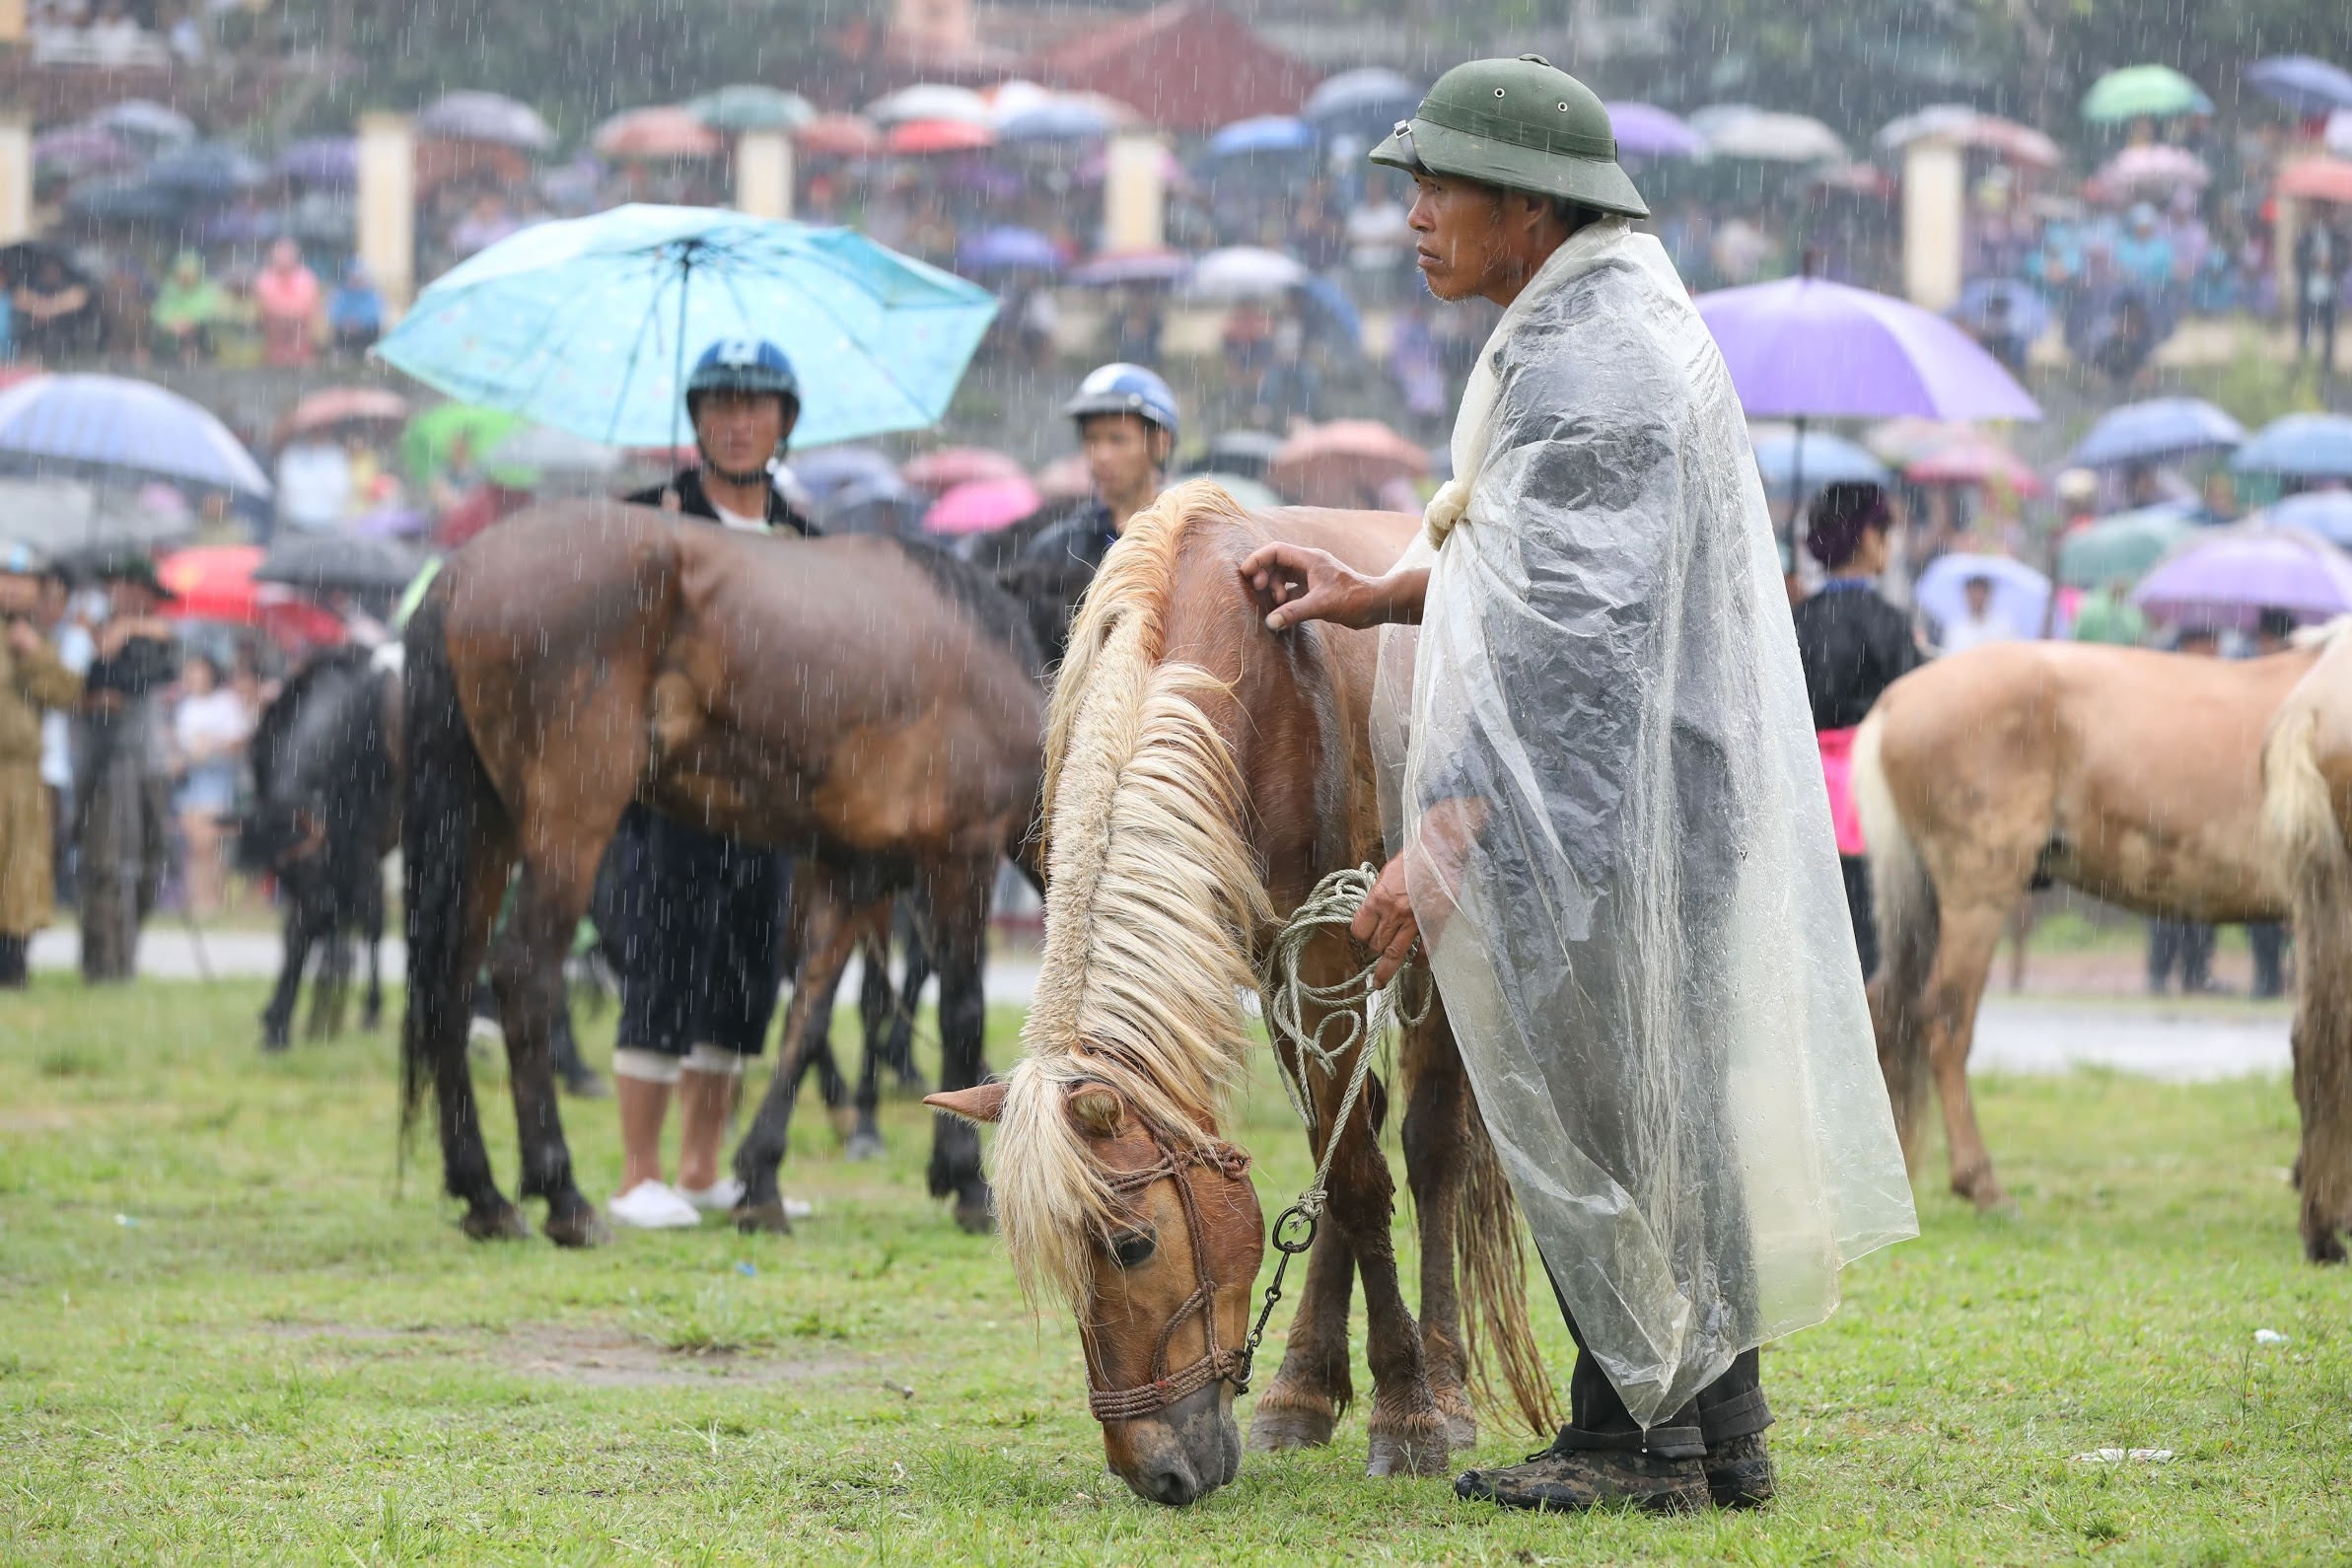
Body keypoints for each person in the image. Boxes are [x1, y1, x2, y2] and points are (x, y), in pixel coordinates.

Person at [1240, 56, 1913, 1516]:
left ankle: (1633, 1447)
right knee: (1667, 1103)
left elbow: (1573, 649)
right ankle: (1721, 1427)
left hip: (1607, 809)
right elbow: (1536, 570)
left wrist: (1443, 833)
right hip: (1651, 794)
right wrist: (1379, 593)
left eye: (1443, 188)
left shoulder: (1590, 363)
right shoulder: (1596, 320)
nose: (1415, 217)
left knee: (1600, 1110)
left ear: (1531, 208)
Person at [605, 338, 817, 1232]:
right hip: (671, 788)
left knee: (743, 977)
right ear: (695, 419)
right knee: (663, 962)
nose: (737, 422)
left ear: (783, 421)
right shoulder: (644, 520)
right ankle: (637, 1173)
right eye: (719, 404)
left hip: (767, 798)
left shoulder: (805, 538)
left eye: (755, 404)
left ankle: (700, 1168)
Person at [1790, 483, 1921, 979]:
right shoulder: (1889, 624)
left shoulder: (1795, 621)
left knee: (1813, 941)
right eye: (1886, 533)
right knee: (1871, 941)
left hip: (1802, 798)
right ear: (1868, 538)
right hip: (1872, 799)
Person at [73, 552, 178, 982]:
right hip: (103, 764)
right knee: (106, 865)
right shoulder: (84, 634)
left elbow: (152, 674)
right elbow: (81, 685)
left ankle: (126, 954)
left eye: (139, 590)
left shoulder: (151, 636)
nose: (130, 596)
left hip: (149, 764)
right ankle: (103, 963)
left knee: (149, 864)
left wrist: (128, 630)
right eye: (122, 586)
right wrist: (98, 667)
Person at [1011, 362, 1179, 582]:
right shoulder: (1057, 551)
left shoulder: (1190, 541)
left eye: (1118, 439)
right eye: (1091, 439)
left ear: (1161, 443)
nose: (1102, 455)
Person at [0, 544, 82, 985]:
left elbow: (67, 693)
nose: (12, 589)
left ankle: (13, 961)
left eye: (23, 582)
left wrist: (33, 654)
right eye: (5, 579)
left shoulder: (39, 641)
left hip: (23, 775)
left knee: (23, 871)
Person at [2148, 623, 2223, 995]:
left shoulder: (2218, 689)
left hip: (2206, 804)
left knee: (2205, 890)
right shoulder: (2168, 687)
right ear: (2193, 644)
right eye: (2209, 643)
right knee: (2165, 888)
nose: (2215, 651)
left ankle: (2196, 971)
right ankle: (2160, 972)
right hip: (2170, 800)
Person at [170, 653, 250, 918]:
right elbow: (177, 742)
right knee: (194, 844)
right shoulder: (185, 706)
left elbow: (239, 739)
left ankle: (213, 898)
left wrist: (212, 746)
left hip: (215, 778)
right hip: (189, 779)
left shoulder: (225, 703)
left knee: (209, 841)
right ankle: (197, 899)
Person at [2246, 606, 2297, 999]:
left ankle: (2277, 976)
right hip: (2268, 803)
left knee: (2281, 896)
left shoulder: (2286, 680)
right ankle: (2270, 977)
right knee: (2271, 898)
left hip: (2279, 802)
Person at [254, 240, 322, 368]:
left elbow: (308, 308)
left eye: (287, 256)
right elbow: (264, 307)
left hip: (300, 327)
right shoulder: (265, 278)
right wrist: (282, 317)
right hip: (275, 327)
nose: (283, 261)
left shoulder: (306, 278)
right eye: (280, 256)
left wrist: (291, 318)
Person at [2295, 204, 2344, 378]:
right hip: (2310, 292)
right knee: (2305, 332)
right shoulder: (2306, 237)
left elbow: (2344, 260)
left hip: (2329, 292)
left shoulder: (2338, 238)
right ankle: (2304, 366)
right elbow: (2298, 260)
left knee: (2329, 333)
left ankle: (2327, 369)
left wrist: (2332, 263)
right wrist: (2314, 262)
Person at [151, 249, 228, 361]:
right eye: (182, 274)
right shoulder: (169, 289)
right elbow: (159, 311)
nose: (186, 277)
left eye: (189, 274)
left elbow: (211, 311)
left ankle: (195, 353)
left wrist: (190, 321)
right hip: (172, 333)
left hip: (198, 333)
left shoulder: (207, 289)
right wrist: (172, 323)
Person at [1940, 574, 2017, 655]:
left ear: (1987, 594)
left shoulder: (2003, 626)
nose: (1975, 597)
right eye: (1971, 592)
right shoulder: (1956, 629)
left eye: (1979, 592)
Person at [326, 259, 385, 355]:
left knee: (372, 330)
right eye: (353, 277)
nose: (356, 281)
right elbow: (333, 313)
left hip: (366, 333)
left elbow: (376, 316)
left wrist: (360, 323)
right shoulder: (341, 294)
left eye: (358, 277)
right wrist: (346, 323)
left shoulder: (371, 294)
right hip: (346, 333)